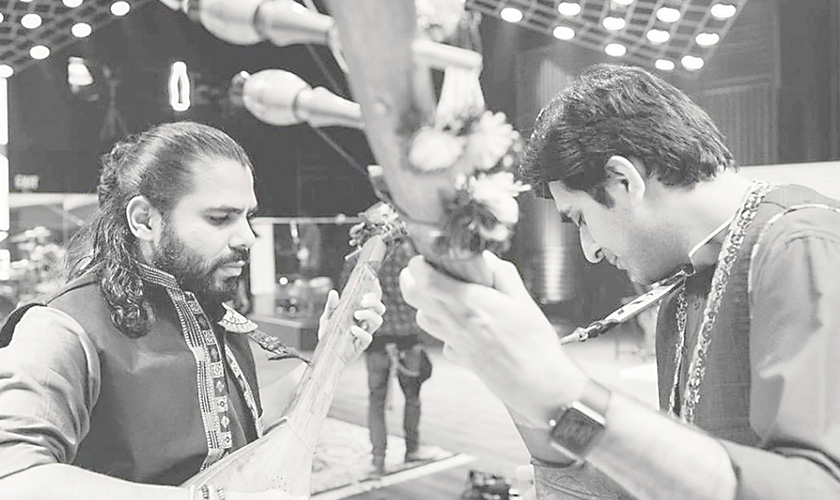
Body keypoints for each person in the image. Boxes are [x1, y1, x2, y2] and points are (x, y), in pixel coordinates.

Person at [400, 63, 840, 500]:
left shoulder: (800, 243)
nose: (590, 250)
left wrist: (562, 391)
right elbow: (662, 482)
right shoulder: (684, 280)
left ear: (623, 180)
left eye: (580, 219)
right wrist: (517, 388)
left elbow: (817, 490)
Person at [0, 122, 385, 500]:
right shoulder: (61, 327)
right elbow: (15, 479)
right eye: (220, 218)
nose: (247, 237)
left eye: (248, 217)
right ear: (144, 220)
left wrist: (332, 355)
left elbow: (235, 440)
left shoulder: (206, 312)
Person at [362, 239, 432, 475]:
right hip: (407, 337)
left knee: (376, 401)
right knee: (412, 397)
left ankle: (378, 460)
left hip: (376, 337)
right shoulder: (408, 254)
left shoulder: (364, 255)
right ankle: (412, 449)